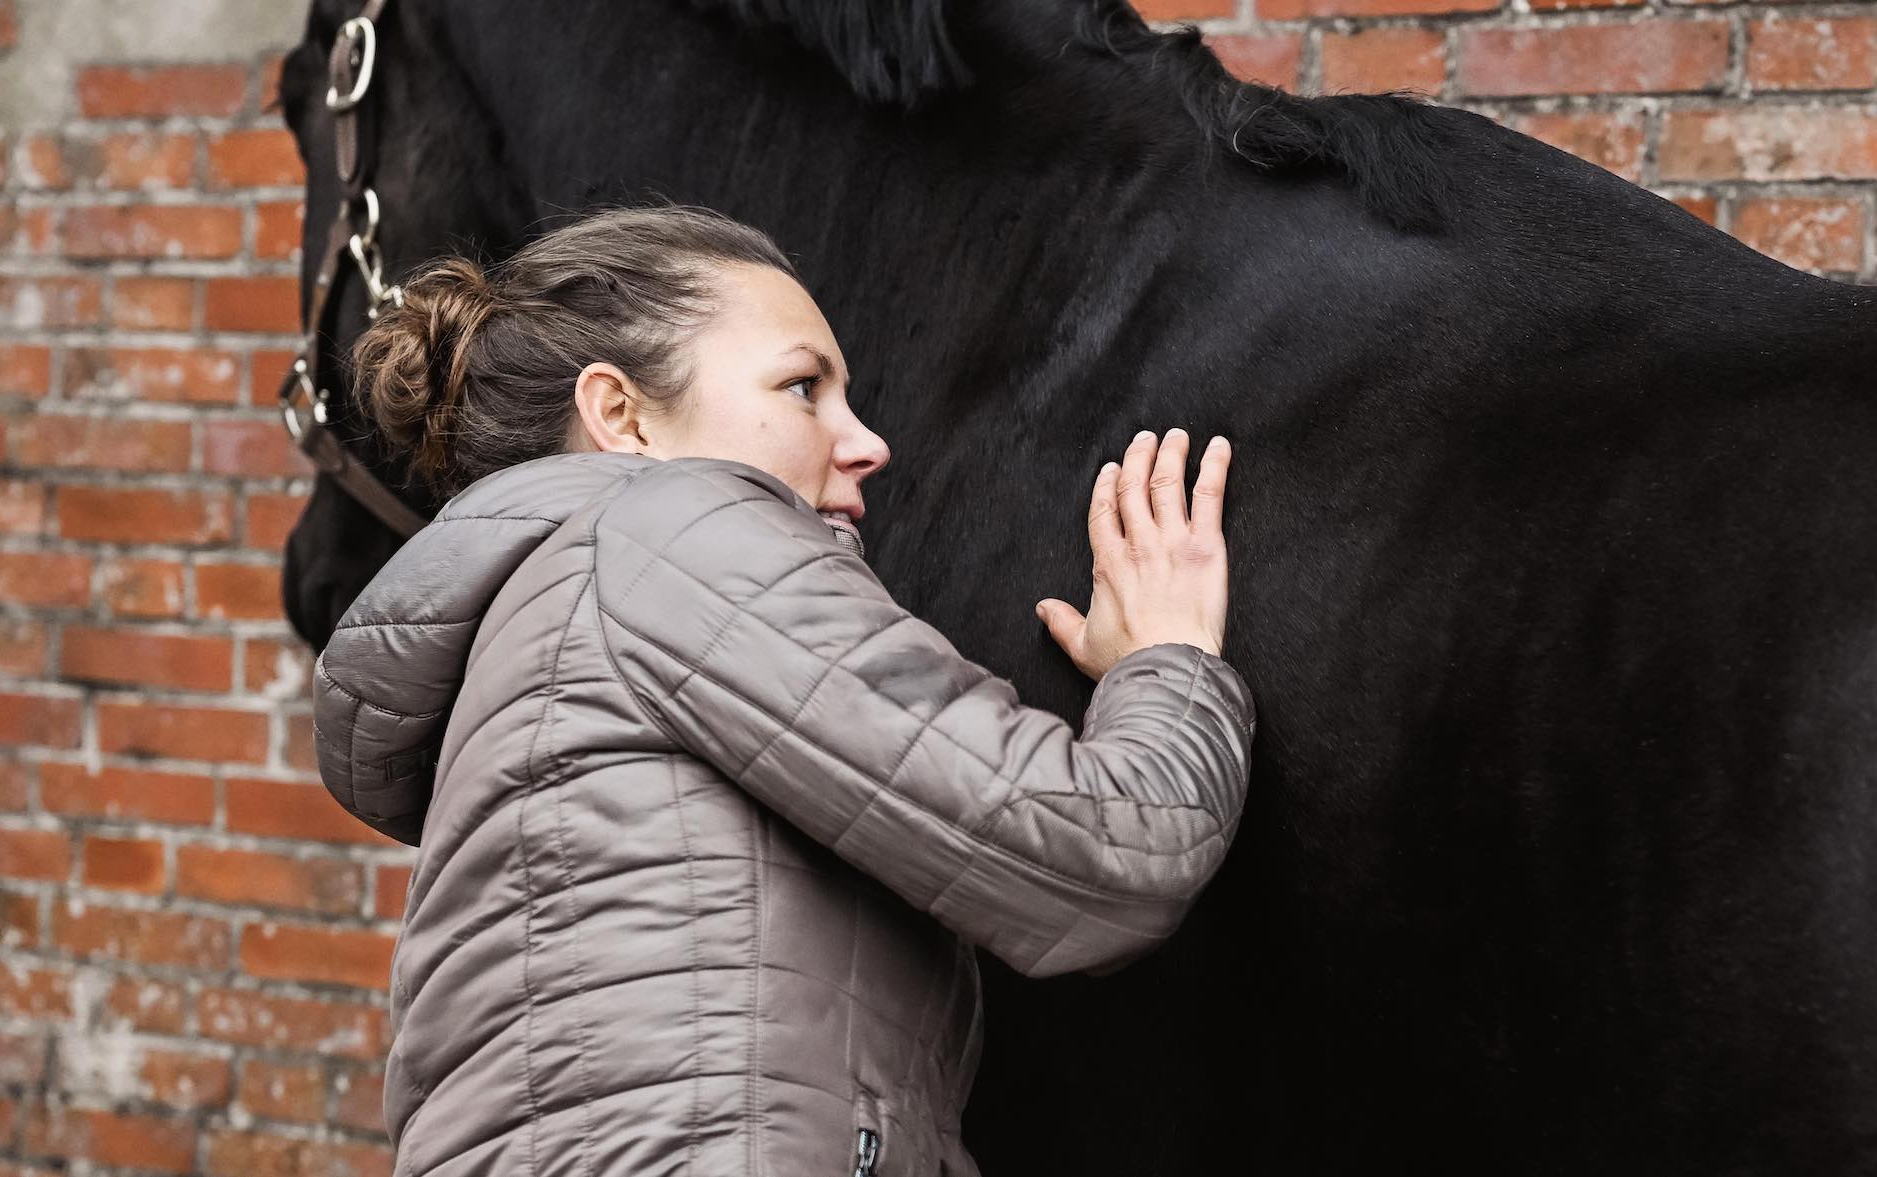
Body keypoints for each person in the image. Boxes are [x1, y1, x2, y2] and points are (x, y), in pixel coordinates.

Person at [312, 206, 1255, 1177]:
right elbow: (1106, 853)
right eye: (803, 387)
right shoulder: (663, 533)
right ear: (623, 415)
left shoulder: (550, 623)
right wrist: (1173, 658)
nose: (867, 442)